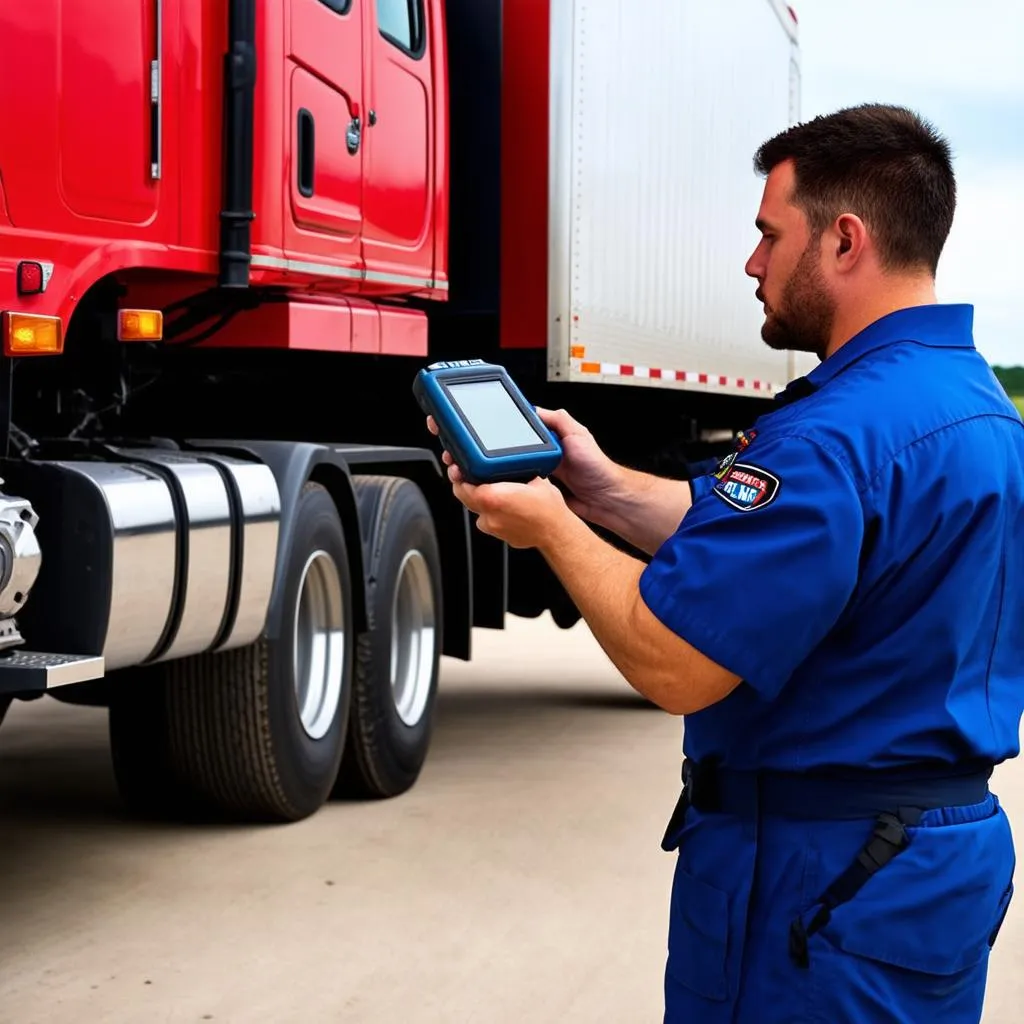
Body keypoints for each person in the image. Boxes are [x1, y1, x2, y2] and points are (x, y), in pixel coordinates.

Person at [426, 103, 1024, 1023]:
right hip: (925, 864)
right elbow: (776, 548)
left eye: (769, 235)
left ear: (845, 241)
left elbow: (673, 659)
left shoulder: (832, 436)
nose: (753, 264)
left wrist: (550, 526)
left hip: (816, 884)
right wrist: (600, 485)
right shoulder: (973, 405)